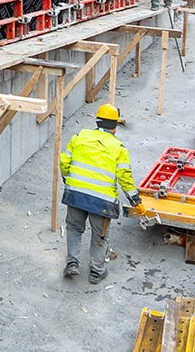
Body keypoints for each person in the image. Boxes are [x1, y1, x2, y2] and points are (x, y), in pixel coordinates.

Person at [59, 103, 140, 284]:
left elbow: (64, 161)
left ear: (97, 121)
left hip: (76, 195)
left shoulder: (80, 136)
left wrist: (68, 180)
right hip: (102, 202)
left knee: (73, 228)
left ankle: (72, 263)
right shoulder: (119, 148)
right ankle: (96, 271)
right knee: (100, 235)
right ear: (115, 127)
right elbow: (124, 177)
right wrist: (135, 199)